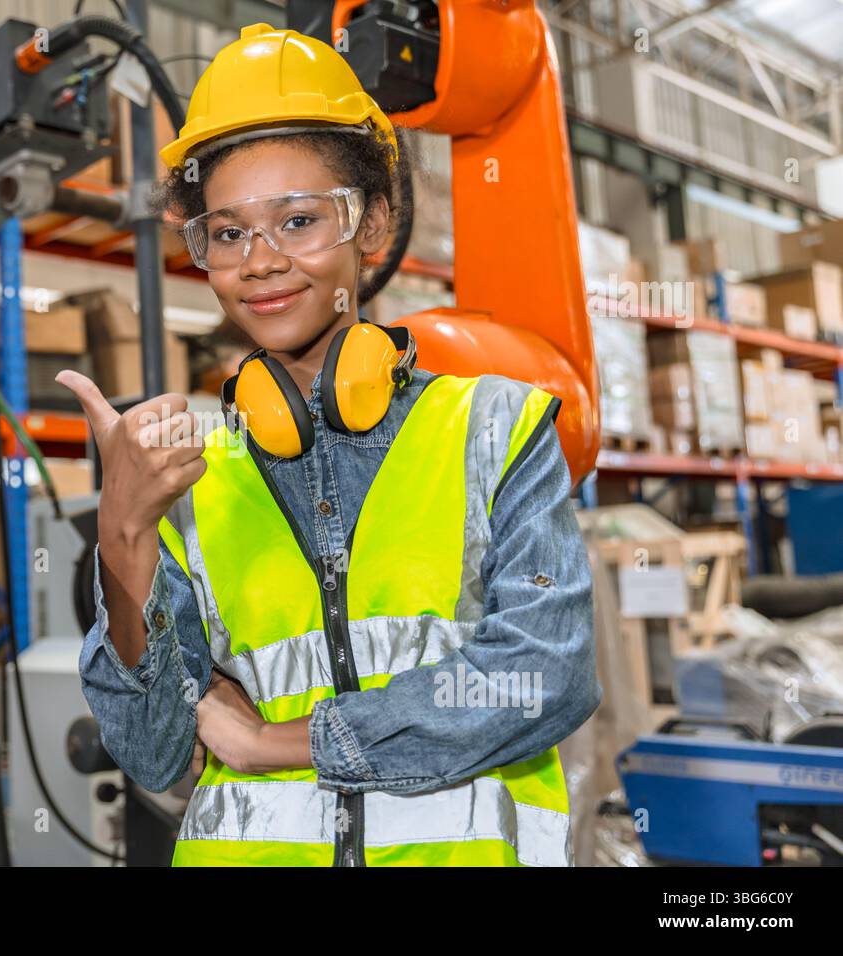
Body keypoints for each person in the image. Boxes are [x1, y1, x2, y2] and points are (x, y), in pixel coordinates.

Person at [56, 23, 600, 867]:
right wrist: (123, 534)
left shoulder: (494, 429)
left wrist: (281, 740)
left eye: (299, 221)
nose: (260, 263)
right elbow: (154, 749)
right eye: (227, 233)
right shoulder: (194, 478)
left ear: (373, 221)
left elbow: (544, 677)